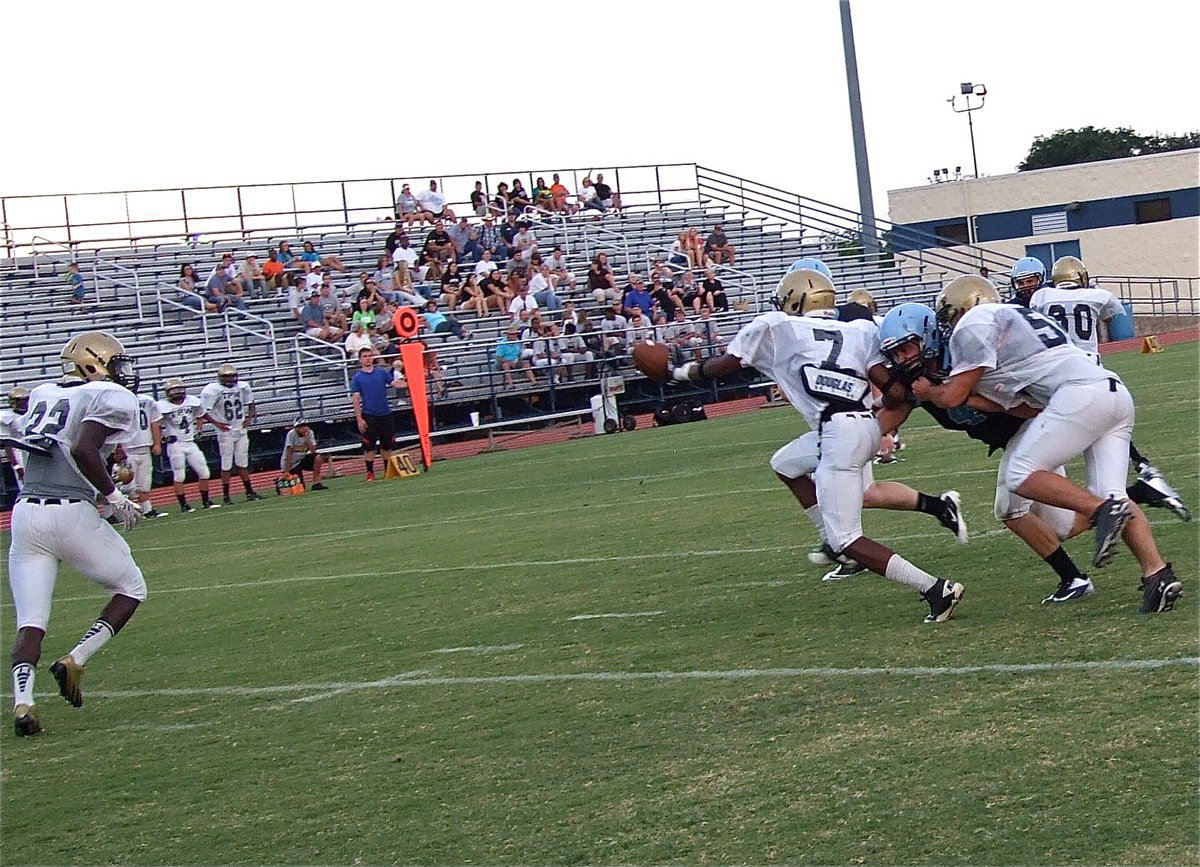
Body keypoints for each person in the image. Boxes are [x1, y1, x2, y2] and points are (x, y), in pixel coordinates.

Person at [652, 268, 965, 623]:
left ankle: (935, 589)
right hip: (863, 427)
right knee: (785, 463)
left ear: (797, 301)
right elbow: (893, 392)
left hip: (837, 434)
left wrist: (676, 373)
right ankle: (831, 539)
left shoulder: (776, 327)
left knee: (850, 539)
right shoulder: (858, 331)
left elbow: (725, 365)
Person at [912, 275, 1182, 614]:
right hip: (1112, 393)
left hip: (1079, 395)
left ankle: (1101, 512)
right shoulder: (1019, 323)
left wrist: (929, 393)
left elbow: (952, 397)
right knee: (1112, 492)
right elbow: (1016, 405)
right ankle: (1158, 575)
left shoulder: (975, 322)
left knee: (1020, 474)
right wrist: (961, 393)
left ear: (963, 308)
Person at [7, 331, 150, 736]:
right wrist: (115, 496)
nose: (122, 372)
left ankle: (23, 703)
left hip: (25, 513)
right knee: (132, 588)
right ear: (95, 363)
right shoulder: (109, 395)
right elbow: (86, 449)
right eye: (116, 363)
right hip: (69, 513)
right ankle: (75, 658)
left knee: (31, 620)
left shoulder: (43, 392)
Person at [1030, 256, 1190, 521]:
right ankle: (1142, 473)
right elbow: (1112, 315)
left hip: (1064, 375)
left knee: (1036, 459)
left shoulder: (1041, 297)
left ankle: (1135, 483)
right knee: (1101, 433)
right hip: (1095, 372)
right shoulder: (1098, 295)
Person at [199, 363, 262, 506]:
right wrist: (217, 423)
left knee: (242, 462)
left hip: (240, 429)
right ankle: (226, 496)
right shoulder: (212, 390)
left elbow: (251, 403)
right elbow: (203, 411)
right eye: (226, 377)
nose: (230, 379)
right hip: (225, 431)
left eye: (232, 376)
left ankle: (249, 491)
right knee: (226, 464)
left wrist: (249, 417)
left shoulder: (243, 386)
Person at [157, 378, 219, 513]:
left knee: (204, 472)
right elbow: (155, 423)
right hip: (175, 444)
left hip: (190, 442)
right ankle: (184, 505)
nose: (177, 393)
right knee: (179, 476)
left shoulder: (192, 401)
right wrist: (162, 436)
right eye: (173, 391)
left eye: (179, 389)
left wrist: (199, 428)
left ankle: (206, 501)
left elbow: (201, 414)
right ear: (168, 393)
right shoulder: (162, 406)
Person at [350, 347, 406, 481]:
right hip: (369, 415)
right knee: (369, 447)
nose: (368, 359)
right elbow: (356, 399)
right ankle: (370, 472)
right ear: (360, 359)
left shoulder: (381, 373)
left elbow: (395, 383)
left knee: (387, 445)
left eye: (370, 356)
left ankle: (388, 470)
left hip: (385, 413)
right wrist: (359, 419)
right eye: (365, 356)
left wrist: (411, 382)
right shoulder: (357, 378)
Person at [120, 390, 168, 519]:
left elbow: (154, 424)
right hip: (127, 449)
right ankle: (128, 512)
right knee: (127, 485)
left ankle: (147, 509)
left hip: (145, 447)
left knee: (145, 482)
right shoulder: (118, 401)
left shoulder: (147, 401)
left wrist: (157, 443)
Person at [280, 419, 328, 490]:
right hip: (291, 464)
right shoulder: (291, 434)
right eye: (300, 426)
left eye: (304, 426)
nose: (303, 428)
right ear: (296, 428)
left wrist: (307, 438)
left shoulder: (310, 433)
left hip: (301, 459)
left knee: (318, 457)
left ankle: (316, 482)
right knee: (301, 488)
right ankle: (281, 484)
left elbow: (313, 450)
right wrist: (286, 470)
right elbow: (289, 453)